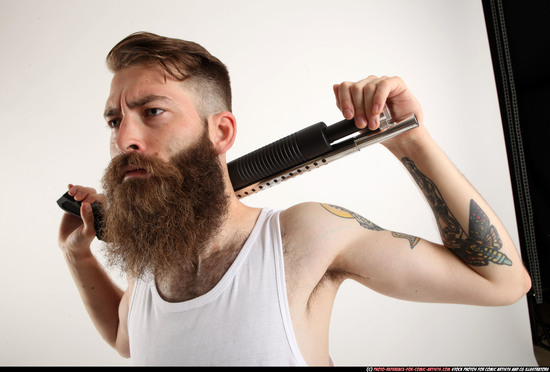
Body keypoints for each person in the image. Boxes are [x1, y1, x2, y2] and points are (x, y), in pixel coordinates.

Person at [58, 32, 531, 366]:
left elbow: (502, 283)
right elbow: (127, 340)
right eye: (114, 121)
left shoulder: (306, 236)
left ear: (220, 131)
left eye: (152, 111)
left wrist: (411, 140)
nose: (125, 139)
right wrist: (77, 256)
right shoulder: (151, 255)